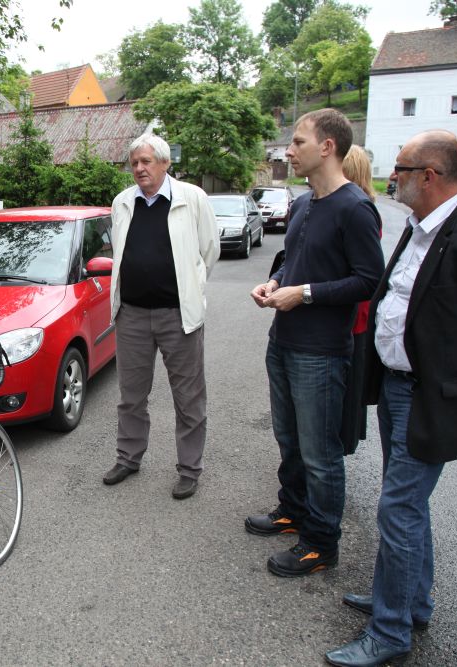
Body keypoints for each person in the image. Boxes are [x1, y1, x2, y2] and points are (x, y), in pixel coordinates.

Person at [325, 131, 457, 667]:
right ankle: (410, 601)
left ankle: (389, 631)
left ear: (429, 176)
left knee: (398, 509)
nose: (393, 177)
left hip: (430, 399)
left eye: (402, 169)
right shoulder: (418, 229)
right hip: (397, 389)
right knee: (408, 507)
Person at [247, 109, 384, 577]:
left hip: (321, 353)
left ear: (327, 147)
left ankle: (321, 543)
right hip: (283, 341)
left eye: (298, 142)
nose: (289, 151)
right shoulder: (304, 203)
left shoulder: (355, 208)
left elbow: (368, 280)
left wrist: (303, 294)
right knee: (288, 439)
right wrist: (275, 282)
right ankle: (293, 510)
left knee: (320, 454)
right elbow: (294, 260)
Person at [102, 133, 220, 500]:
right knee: (131, 397)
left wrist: (191, 289)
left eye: (146, 161)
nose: (139, 168)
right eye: (134, 163)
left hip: (178, 317)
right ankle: (128, 458)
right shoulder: (122, 202)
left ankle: (189, 469)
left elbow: (209, 251)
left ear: (166, 163)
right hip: (132, 315)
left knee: (188, 398)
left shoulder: (192, 198)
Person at [340, 145, 378, 455]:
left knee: (346, 391)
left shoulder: (358, 210)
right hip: (354, 317)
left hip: (353, 319)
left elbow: (365, 275)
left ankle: (340, 445)